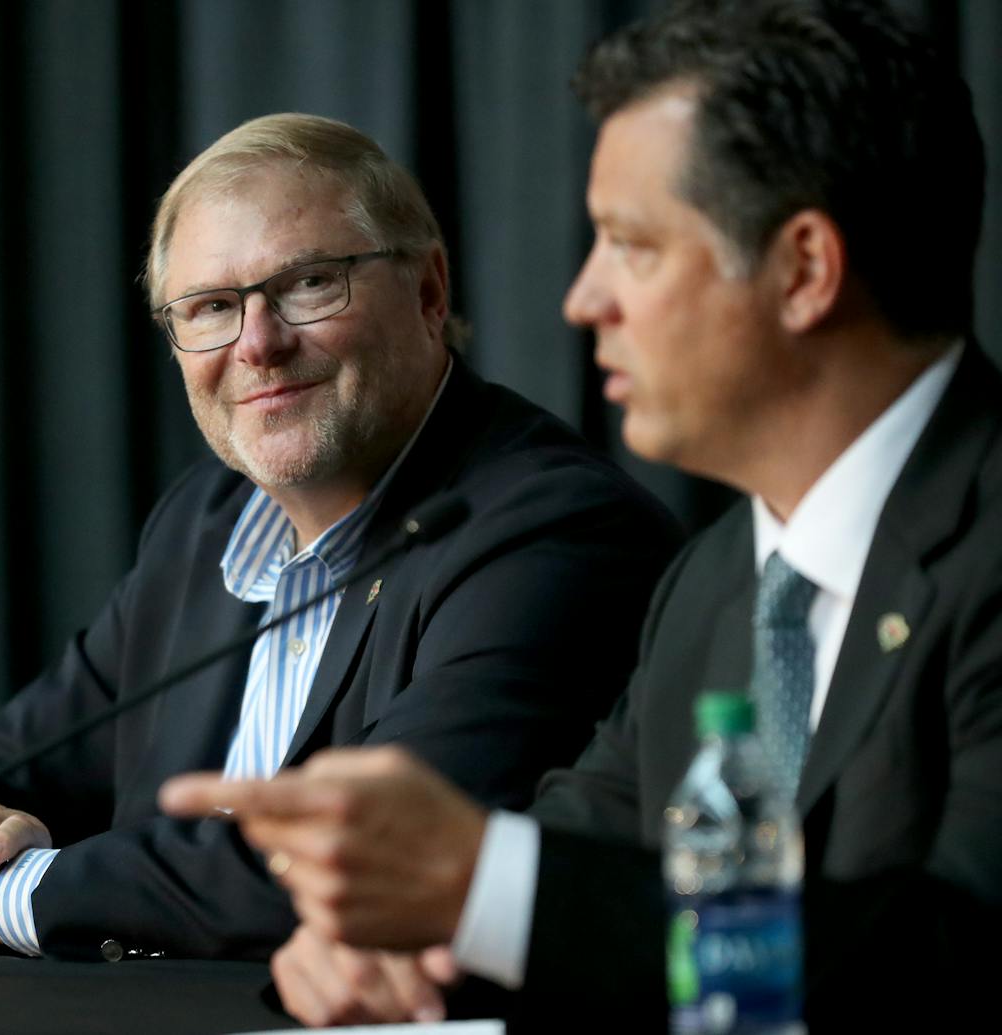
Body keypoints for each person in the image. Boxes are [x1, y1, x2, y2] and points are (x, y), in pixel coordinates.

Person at [161, 1, 1002, 1027]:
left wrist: (480, 892)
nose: (580, 299)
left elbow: (961, 957)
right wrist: (405, 946)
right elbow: (586, 855)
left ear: (801, 272)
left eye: (629, 246)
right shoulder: (716, 581)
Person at [0, 113, 679, 965]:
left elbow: (358, 859)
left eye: (308, 284)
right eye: (211, 306)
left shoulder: (553, 530)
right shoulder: (206, 523)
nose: (257, 344)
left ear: (429, 292)